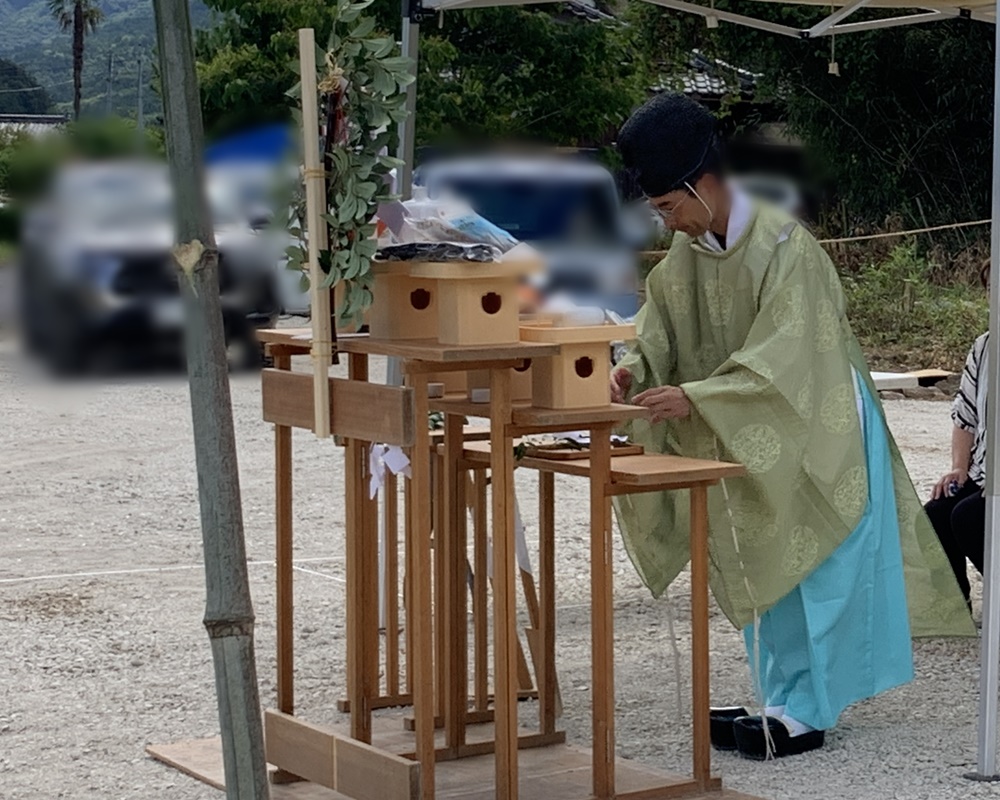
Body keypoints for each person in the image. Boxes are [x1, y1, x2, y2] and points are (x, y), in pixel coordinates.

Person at [610, 93, 973, 760]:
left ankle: (810, 711)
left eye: (668, 207)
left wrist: (696, 397)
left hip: (818, 431)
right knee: (759, 563)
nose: (668, 224)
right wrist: (635, 369)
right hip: (746, 428)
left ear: (703, 182)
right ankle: (779, 699)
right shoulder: (688, 257)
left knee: (819, 569)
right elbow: (659, 329)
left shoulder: (784, 245)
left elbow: (790, 352)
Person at [924, 259, 990, 610]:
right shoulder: (983, 346)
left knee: (967, 516)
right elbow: (965, 417)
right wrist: (957, 467)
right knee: (936, 510)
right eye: (991, 289)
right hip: (983, 473)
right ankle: (954, 605)